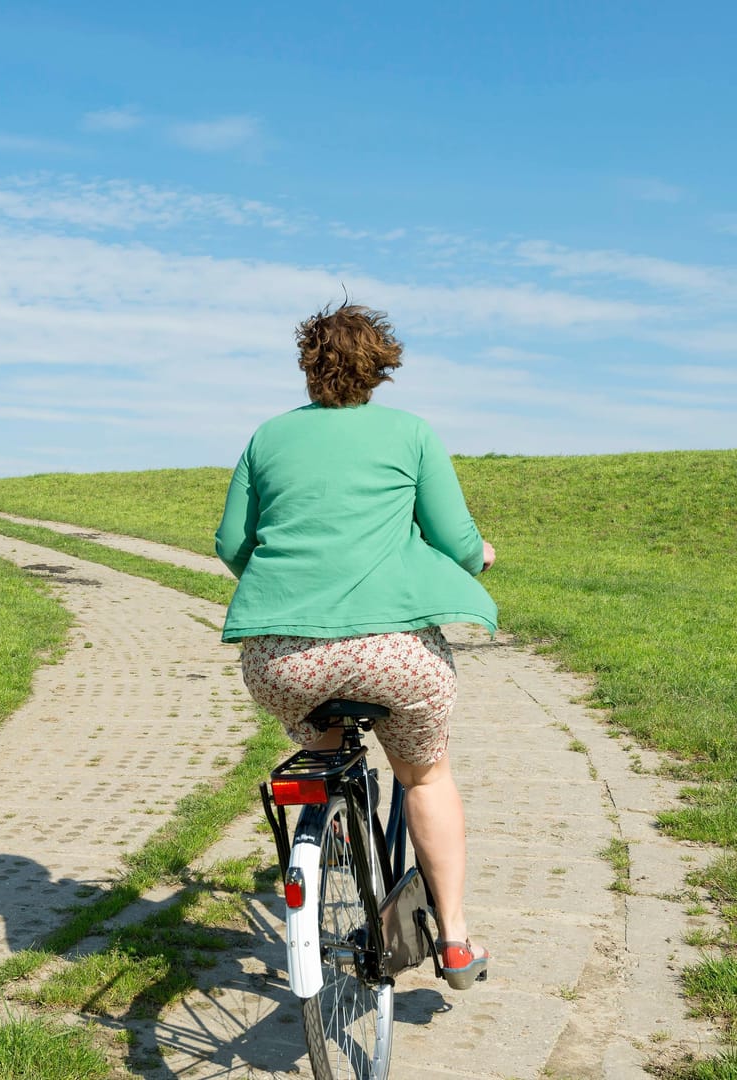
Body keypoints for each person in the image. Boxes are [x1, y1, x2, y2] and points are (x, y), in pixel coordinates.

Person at [215, 301, 498, 989]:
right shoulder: (411, 434)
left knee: (320, 744)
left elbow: (231, 546)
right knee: (425, 774)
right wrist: (481, 554)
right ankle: (455, 940)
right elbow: (457, 542)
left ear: (309, 366)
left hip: (282, 658)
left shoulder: (267, 438)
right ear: (381, 368)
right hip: (392, 656)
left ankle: (332, 829)